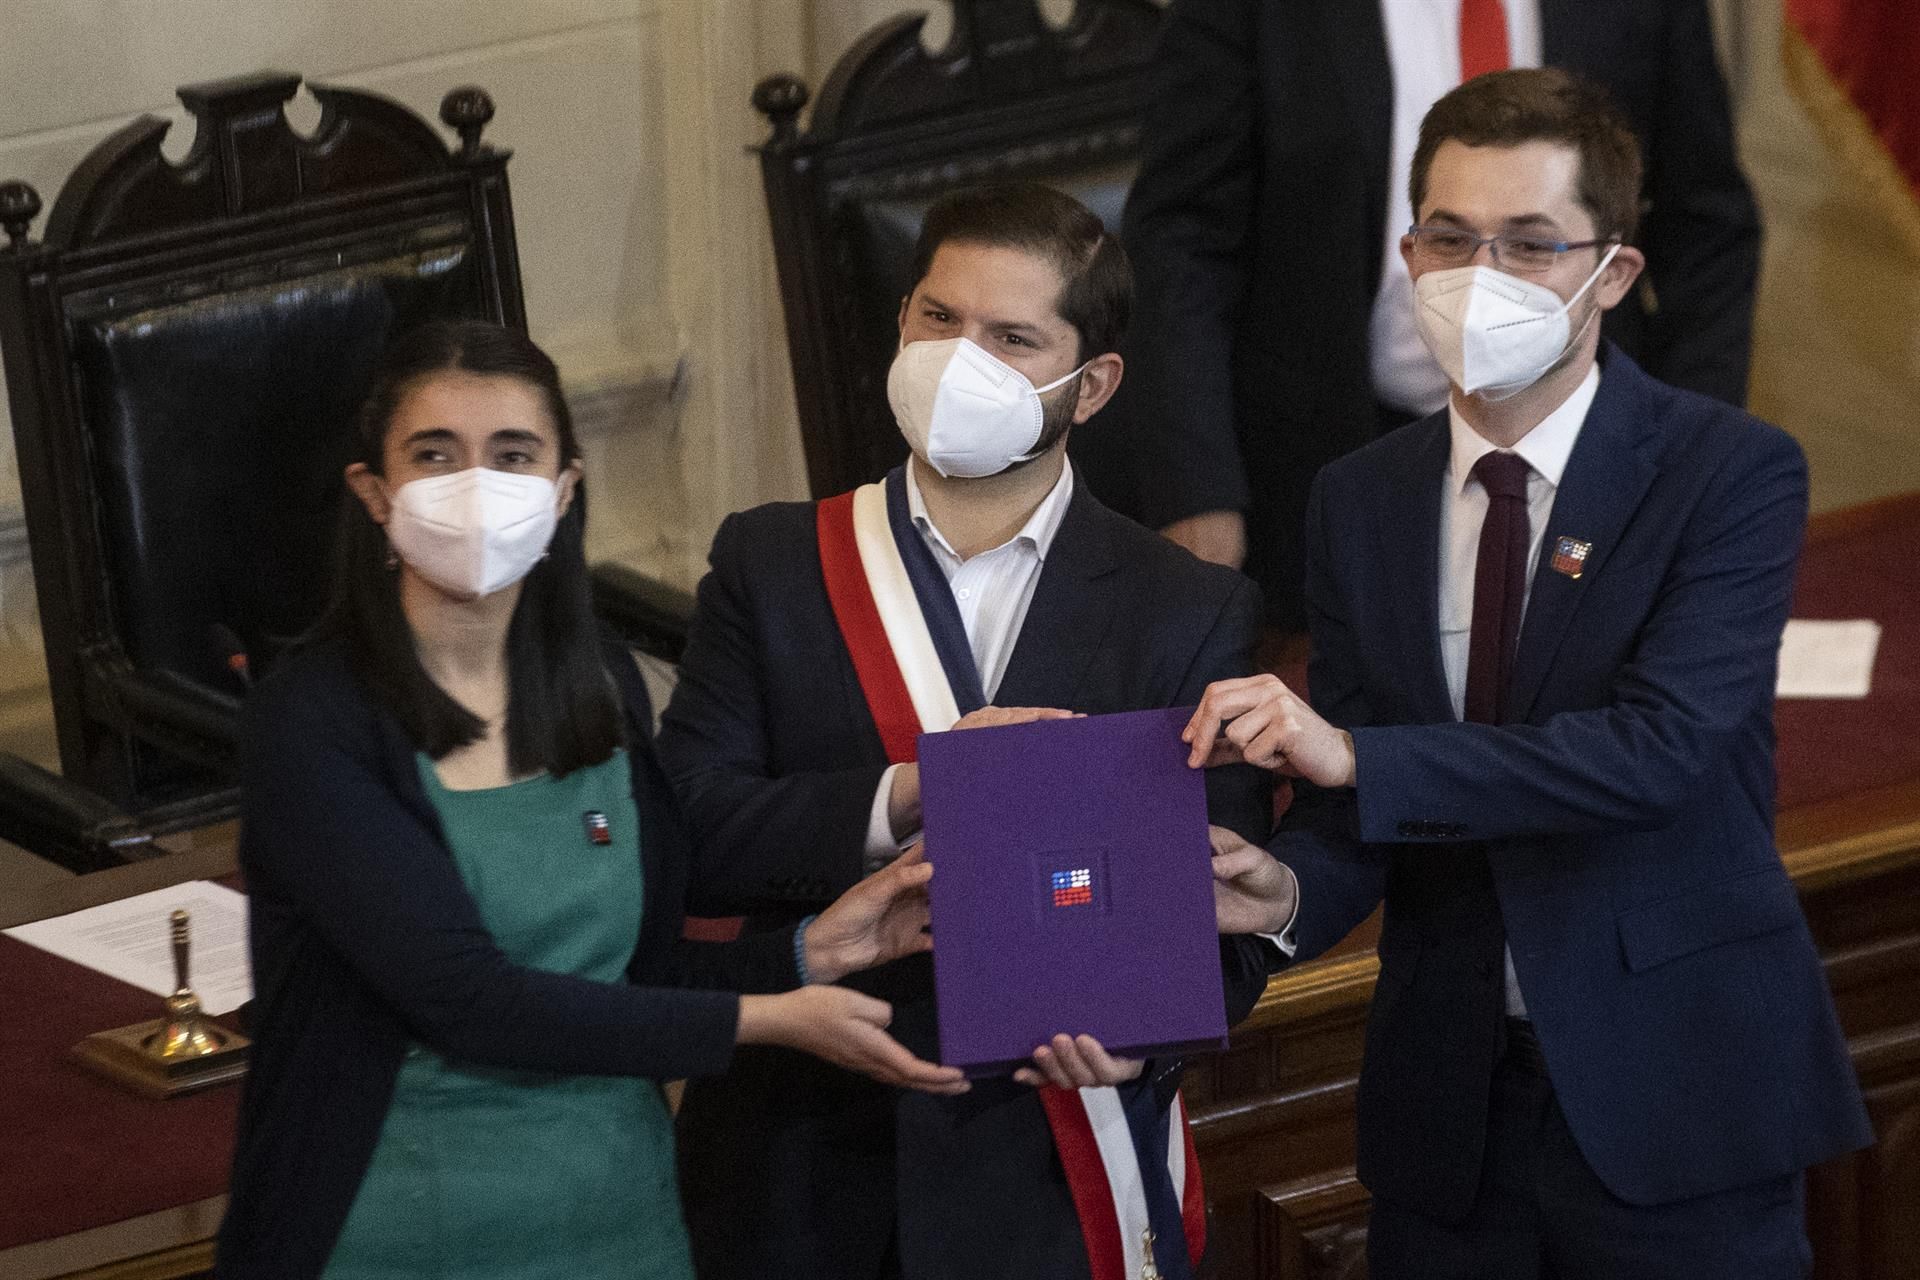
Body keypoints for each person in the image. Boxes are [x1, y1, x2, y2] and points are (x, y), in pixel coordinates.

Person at [1188, 70, 1870, 1279]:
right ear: (1407, 251)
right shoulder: (1360, 499)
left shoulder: (1729, 471)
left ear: (1613, 273)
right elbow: (1362, 798)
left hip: (1678, 1103)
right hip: (1452, 1122)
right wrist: (1282, 894)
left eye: (1531, 244)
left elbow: (1657, 751)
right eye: (1451, 238)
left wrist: (1358, 759)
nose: (1480, 276)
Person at [215, 320, 969, 1280]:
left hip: (616, 1223)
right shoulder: (311, 721)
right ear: (375, 493)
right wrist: (770, 1017)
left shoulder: (599, 688)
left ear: (564, 488)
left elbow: (633, 979)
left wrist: (806, 954)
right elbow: (473, 1003)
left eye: (513, 454)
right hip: (392, 1230)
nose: (476, 485)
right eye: (435, 455)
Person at [658, 183, 1276, 1280]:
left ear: (1092, 387)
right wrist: (910, 789)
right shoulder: (773, 563)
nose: (961, 358)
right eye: (939, 318)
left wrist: (1137, 1036)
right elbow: (695, 833)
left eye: (1012, 336)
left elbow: (1216, 920)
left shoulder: (1183, 608)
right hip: (804, 1173)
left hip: (1043, 1181)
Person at [1122, 0, 1761, 627]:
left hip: (1582, 454)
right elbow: (1183, 238)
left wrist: (1680, 466)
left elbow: (1703, 230)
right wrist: (1196, 489)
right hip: (1321, 459)